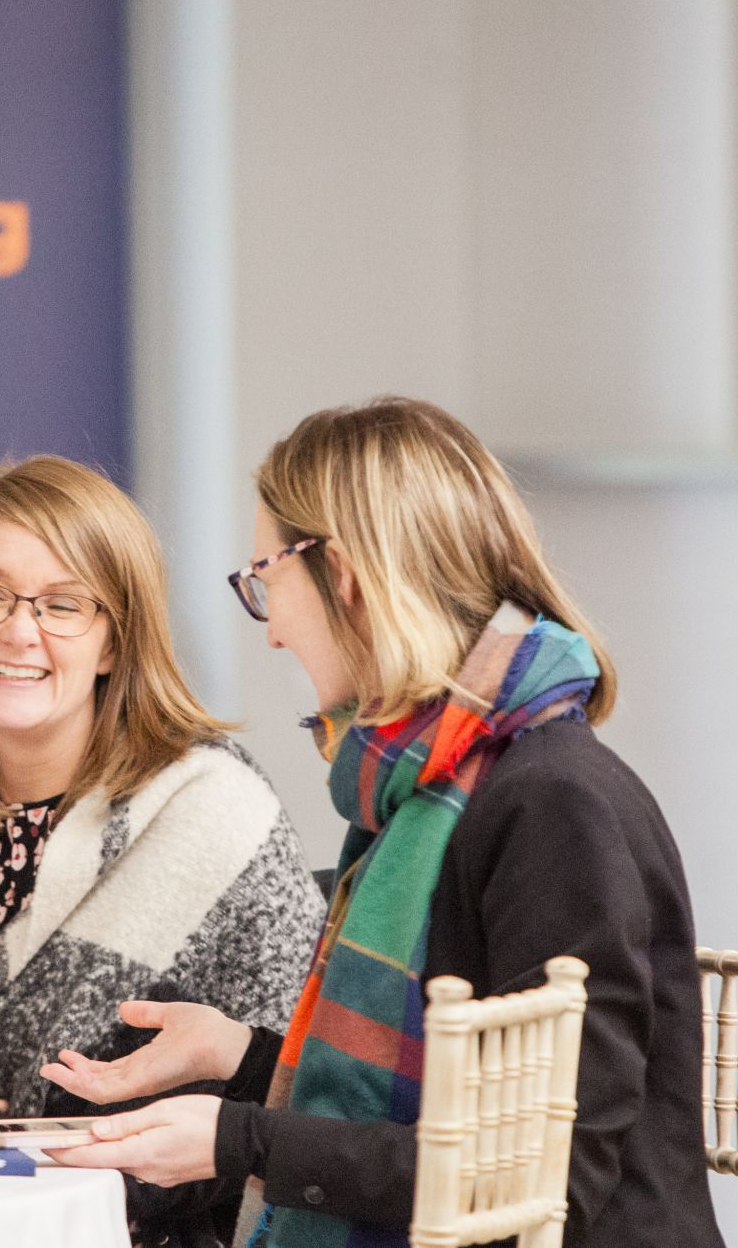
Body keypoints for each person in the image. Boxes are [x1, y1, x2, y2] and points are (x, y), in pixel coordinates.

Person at [41, 398, 723, 1247]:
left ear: (347, 573)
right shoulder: (437, 791)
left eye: (266, 580)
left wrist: (237, 1140)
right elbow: (426, 1105)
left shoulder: (549, 804)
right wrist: (237, 1057)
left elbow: (538, 1174)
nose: (274, 633)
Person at [0, 455, 326, 1241]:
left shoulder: (214, 813)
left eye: (64, 604)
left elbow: (285, 1103)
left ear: (114, 641)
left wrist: (13, 1179)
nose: (17, 630)